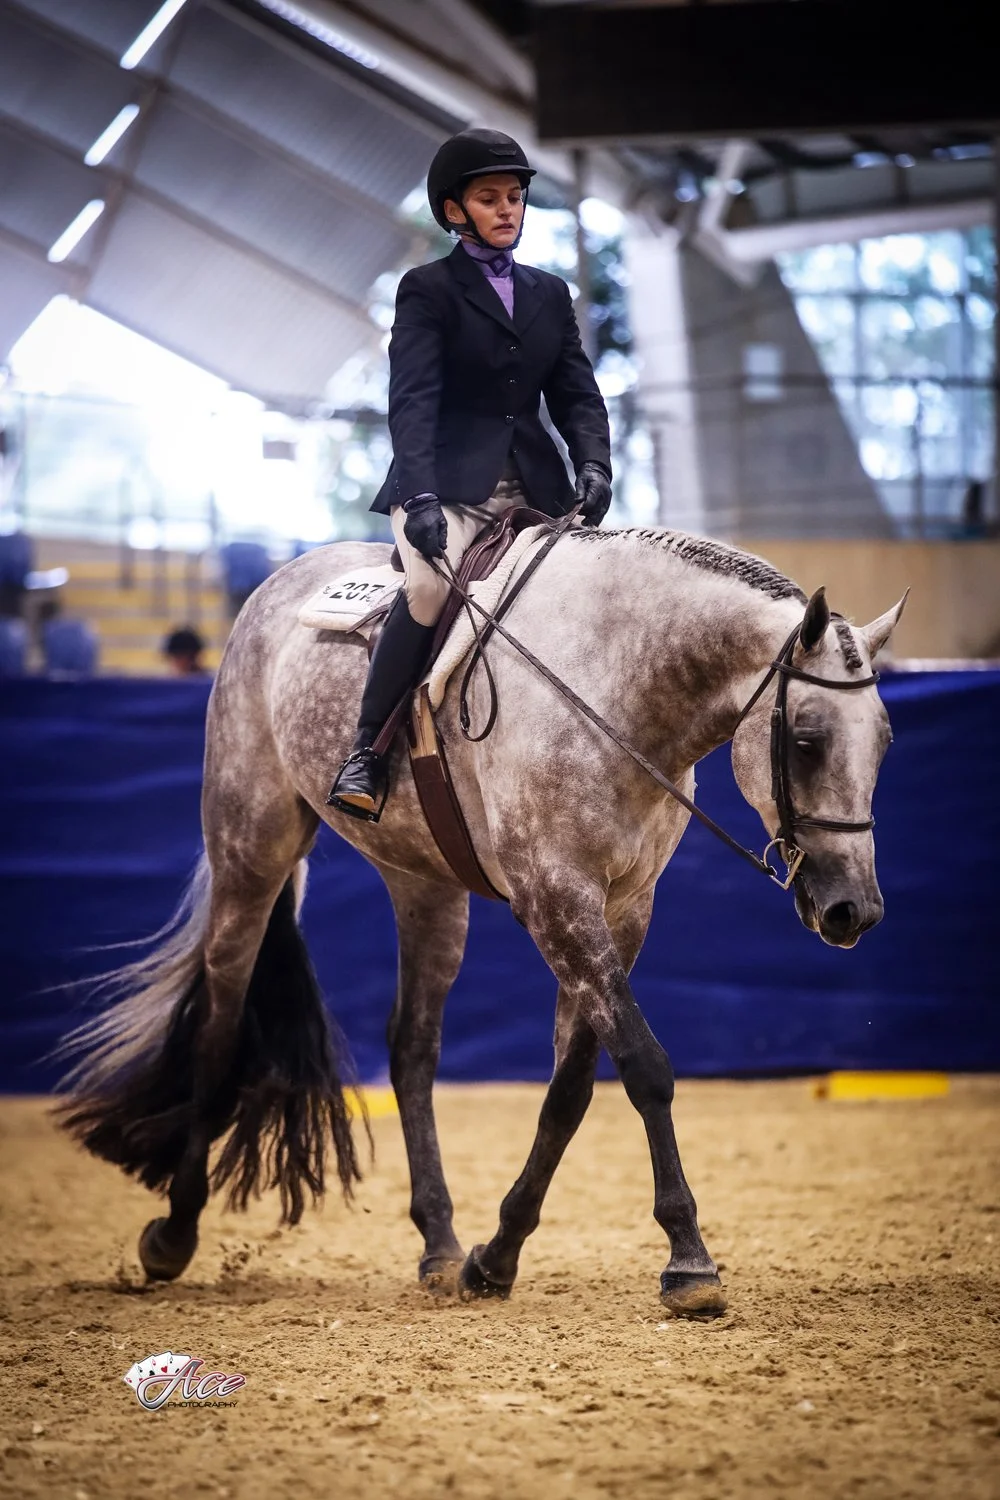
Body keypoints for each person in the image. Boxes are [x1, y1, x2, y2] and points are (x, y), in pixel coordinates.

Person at [327, 127, 613, 819]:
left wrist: (594, 463)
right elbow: (413, 399)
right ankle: (368, 749)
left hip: (535, 491)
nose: (507, 209)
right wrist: (420, 493)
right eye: (490, 199)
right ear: (455, 210)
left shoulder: (550, 294)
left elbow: (575, 392)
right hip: (445, 488)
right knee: (427, 590)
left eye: (514, 197)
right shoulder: (428, 290)